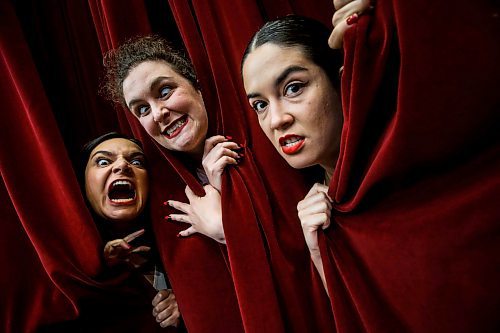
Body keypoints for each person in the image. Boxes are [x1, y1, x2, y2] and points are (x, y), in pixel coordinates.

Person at [241, 14, 344, 289]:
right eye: (260, 105)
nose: (276, 120)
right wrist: (318, 253)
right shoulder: (317, 214)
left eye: (293, 88)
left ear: (342, 82)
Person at [80, 132, 181, 330]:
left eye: (137, 161)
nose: (122, 166)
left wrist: (186, 303)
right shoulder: (72, 259)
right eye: (102, 162)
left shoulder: (176, 242)